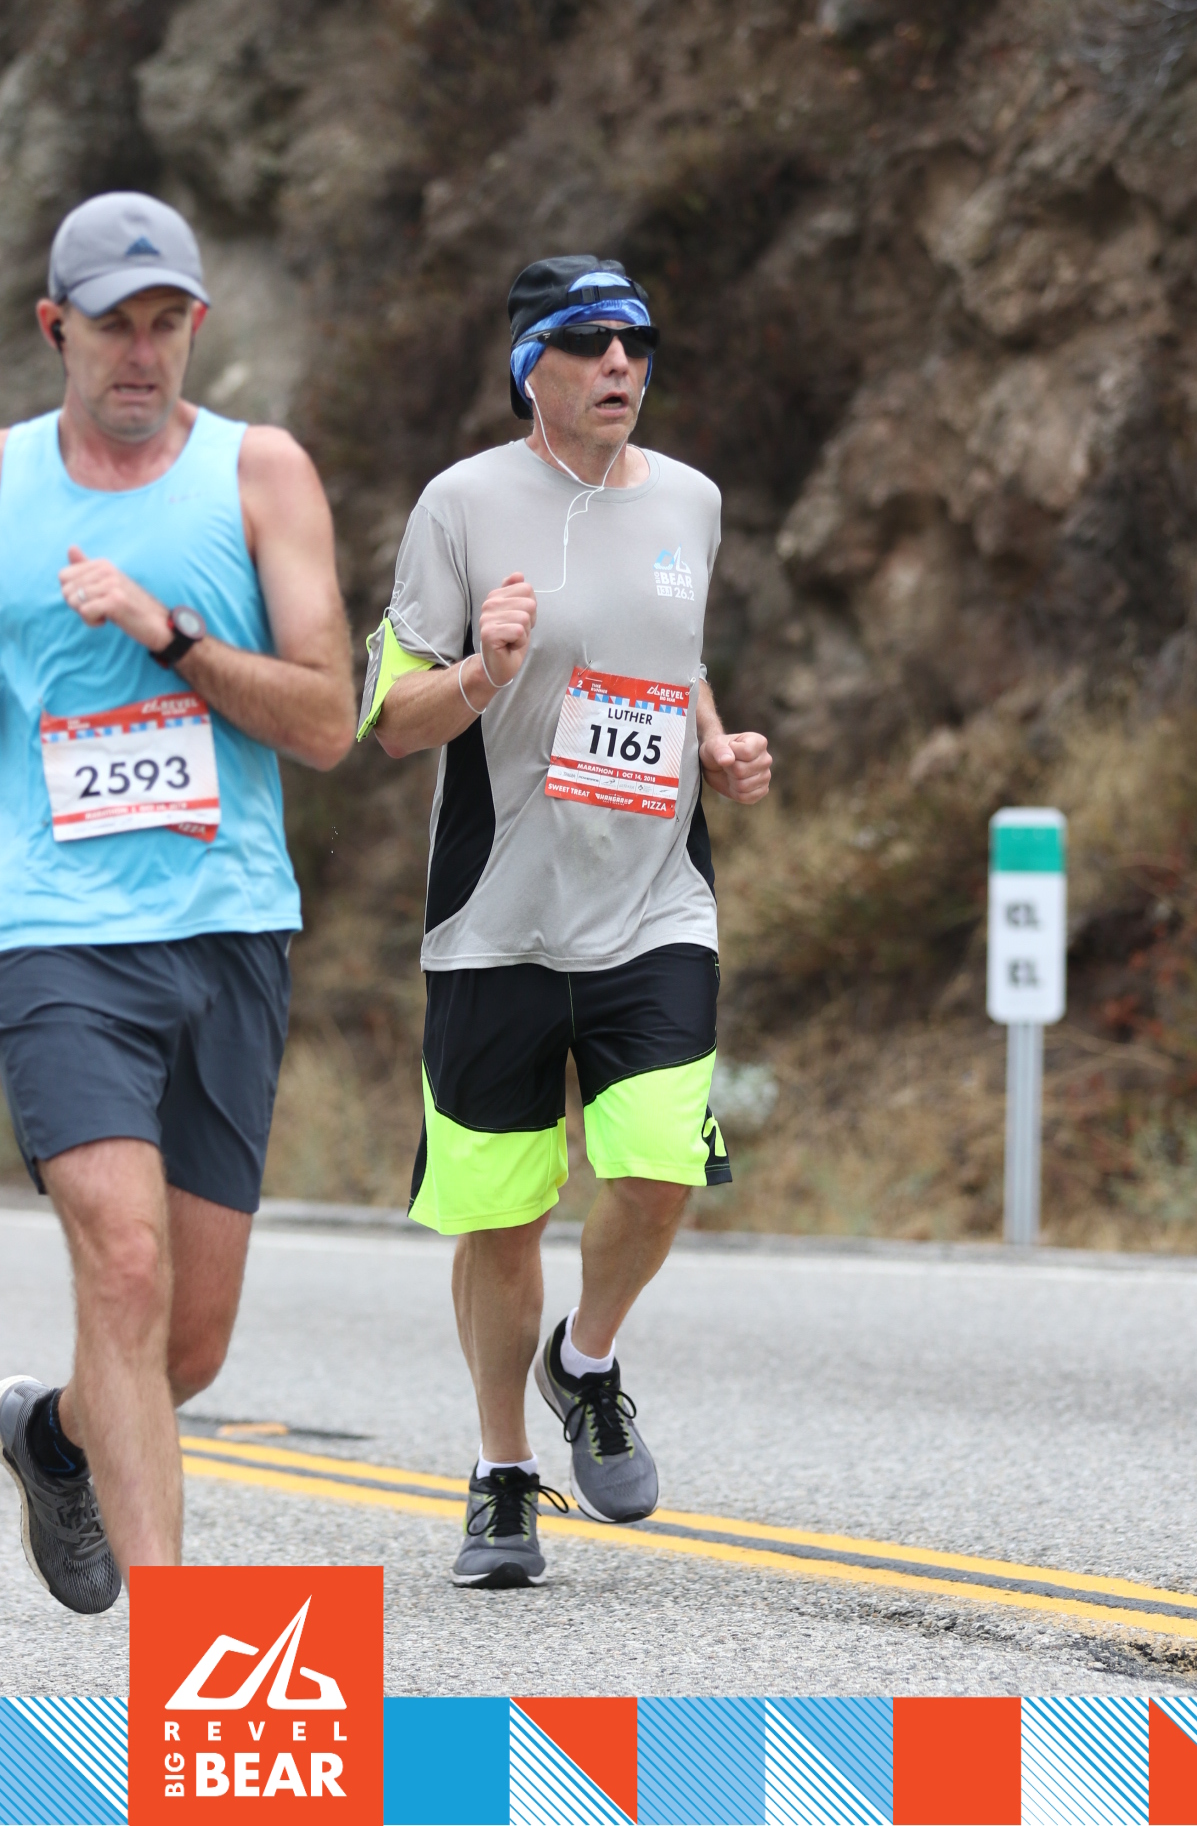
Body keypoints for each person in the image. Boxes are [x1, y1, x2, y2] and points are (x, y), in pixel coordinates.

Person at [362, 253, 771, 1588]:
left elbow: (674, 660)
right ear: (529, 366)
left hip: (656, 902)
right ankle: (502, 1475)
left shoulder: (693, 502)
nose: (620, 364)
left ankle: (585, 1360)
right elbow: (392, 720)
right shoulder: (461, 505)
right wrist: (484, 670)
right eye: (589, 342)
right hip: (498, 918)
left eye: (636, 341)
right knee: (499, 1216)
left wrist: (715, 748)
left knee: (659, 1168)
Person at [0, 192, 355, 1612]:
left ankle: (53, 1435)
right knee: (125, 1267)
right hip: (56, 936)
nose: (141, 354)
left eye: (166, 324)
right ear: (57, 329)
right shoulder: (4, 486)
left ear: (197, 325)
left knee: (180, 1347)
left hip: (227, 930)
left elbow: (326, 722)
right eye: (114, 327)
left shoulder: (259, 474)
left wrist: (173, 635)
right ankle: (177, 1665)